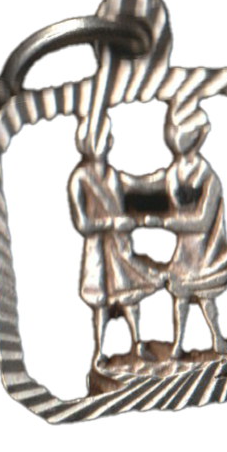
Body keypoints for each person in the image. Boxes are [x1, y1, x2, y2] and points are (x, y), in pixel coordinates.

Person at [66, 113, 166, 368]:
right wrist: (112, 223)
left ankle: (138, 344)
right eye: (102, 137)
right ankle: (99, 351)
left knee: (130, 295)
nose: (108, 141)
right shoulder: (79, 179)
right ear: (88, 142)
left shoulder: (114, 176)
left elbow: (141, 184)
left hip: (120, 247)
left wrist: (166, 177)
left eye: (108, 136)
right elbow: (82, 224)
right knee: (100, 302)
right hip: (98, 251)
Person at [144, 105, 227, 358]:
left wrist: (163, 222)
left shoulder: (209, 178)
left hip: (205, 249)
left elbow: (202, 222)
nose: (173, 134)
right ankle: (178, 345)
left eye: (180, 129)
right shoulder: (175, 172)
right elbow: (152, 182)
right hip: (184, 250)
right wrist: (123, 184)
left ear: (195, 134)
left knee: (206, 298)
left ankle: (217, 339)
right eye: (172, 128)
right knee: (181, 297)